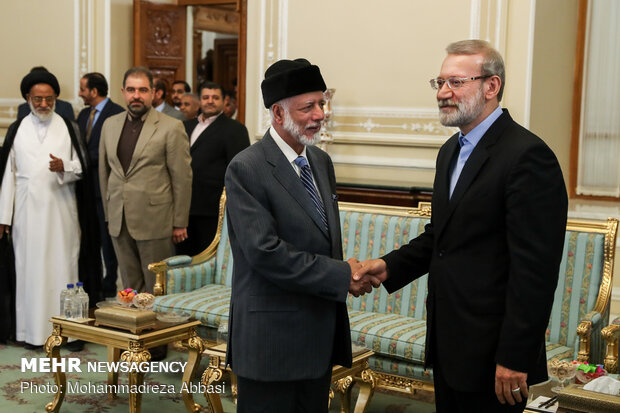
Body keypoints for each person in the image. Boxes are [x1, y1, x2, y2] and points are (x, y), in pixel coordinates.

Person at [356, 40, 568, 413]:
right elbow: (444, 237)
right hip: (450, 343)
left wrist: (515, 357)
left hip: (496, 355)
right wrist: (388, 266)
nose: (442, 93)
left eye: (455, 82)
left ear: (491, 86)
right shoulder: (450, 151)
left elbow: (534, 272)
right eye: (439, 82)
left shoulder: (527, 156)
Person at [224, 58, 378, 412]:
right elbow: (265, 252)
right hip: (271, 343)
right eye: (307, 107)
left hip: (317, 337)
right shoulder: (247, 167)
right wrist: (343, 275)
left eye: (321, 103)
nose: (319, 114)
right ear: (278, 114)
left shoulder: (320, 162)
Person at [0, 71, 101, 350]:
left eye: (49, 99)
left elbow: (82, 168)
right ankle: (30, 332)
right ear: (27, 99)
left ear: (56, 98)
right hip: (26, 213)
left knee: (62, 268)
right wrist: (3, 218)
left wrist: (64, 167)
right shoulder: (16, 128)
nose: (44, 104)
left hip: (61, 211)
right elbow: (8, 175)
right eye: (38, 99)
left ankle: (68, 331)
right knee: (28, 270)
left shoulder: (68, 126)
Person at [99, 66, 192, 294]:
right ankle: (134, 326)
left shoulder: (171, 127)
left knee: (156, 287)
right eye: (131, 90)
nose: (136, 95)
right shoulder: (110, 125)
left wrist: (180, 221)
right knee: (129, 287)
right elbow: (104, 173)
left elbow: (182, 177)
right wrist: (109, 214)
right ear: (123, 92)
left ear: (153, 93)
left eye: (142, 90)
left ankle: (156, 329)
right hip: (119, 219)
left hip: (155, 220)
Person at [176, 82, 249, 256]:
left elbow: (239, 172)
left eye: (215, 98)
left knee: (207, 260)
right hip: (183, 210)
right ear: (199, 101)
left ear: (224, 101)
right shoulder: (185, 127)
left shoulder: (235, 129)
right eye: (206, 97)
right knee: (182, 260)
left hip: (213, 211)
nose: (210, 101)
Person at [77, 72, 125, 297]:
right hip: (85, 189)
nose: (80, 93)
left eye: (83, 89)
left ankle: (110, 284)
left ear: (94, 91)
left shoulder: (117, 114)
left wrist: (81, 159)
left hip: (106, 190)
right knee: (90, 240)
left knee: (109, 244)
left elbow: (113, 151)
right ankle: (93, 285)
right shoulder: (84, 114)